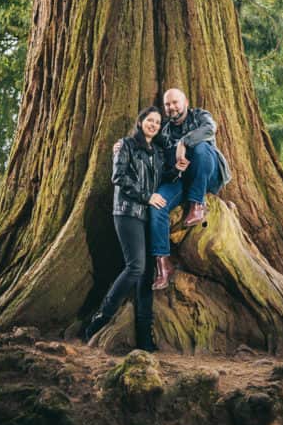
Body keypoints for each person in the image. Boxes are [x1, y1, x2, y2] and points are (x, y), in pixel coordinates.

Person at [84, 105, 165, 350]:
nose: (153, 125)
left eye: (157, 122)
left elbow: (164, 176)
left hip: (150, 217)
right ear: (140, 122)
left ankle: (144, 336)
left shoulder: (159, 153)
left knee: (146, 275)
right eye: (149, 120)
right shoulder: (126, 145)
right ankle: (101, 317)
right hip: (128, 212)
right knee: (136, 266)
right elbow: (119, 177)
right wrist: (147, 196)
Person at [151, 88, 232, 290]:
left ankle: (198, 205)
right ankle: (163, 264)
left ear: (185, 101)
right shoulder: (164, 130)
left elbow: (210, 129)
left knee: (202, 148)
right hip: (180, 180)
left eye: (175, 102)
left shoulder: (200, 116)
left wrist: (184, 143)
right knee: (156, 205)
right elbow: (156, 156)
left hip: (207, 175)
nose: (172, 107)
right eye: (168, 104)